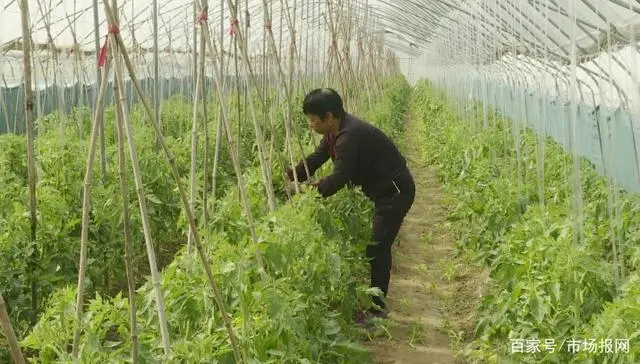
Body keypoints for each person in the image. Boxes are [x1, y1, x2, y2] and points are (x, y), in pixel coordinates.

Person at [286, 88, 416, 322]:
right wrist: (289, 176)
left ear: (328, 117)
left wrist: (305, 191)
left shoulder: (349, 136)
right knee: (376, 246)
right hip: (385, 191)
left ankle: (378, 311)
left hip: (394, 193)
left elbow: (338, 179)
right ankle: (376, 305)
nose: (310, 124)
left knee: (378, 247)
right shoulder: (335, 132)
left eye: (313, 119)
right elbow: (316, 160)